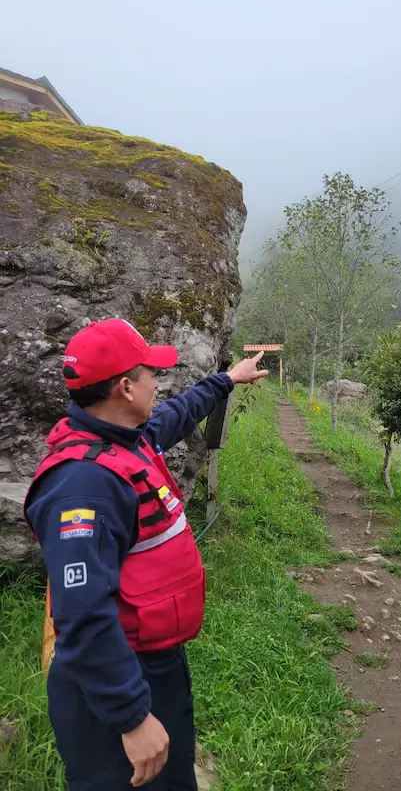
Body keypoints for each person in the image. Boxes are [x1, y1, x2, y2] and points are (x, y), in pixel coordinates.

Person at [23, 318, 268, 790]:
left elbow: (176, 413)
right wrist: (132, 718)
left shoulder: (129, 440)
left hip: (155, 666)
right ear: (124, 387)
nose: (158, 381)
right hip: (113, 685)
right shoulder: (84, 484)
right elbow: (83, 614)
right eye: (149, 372)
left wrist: (228, 379)